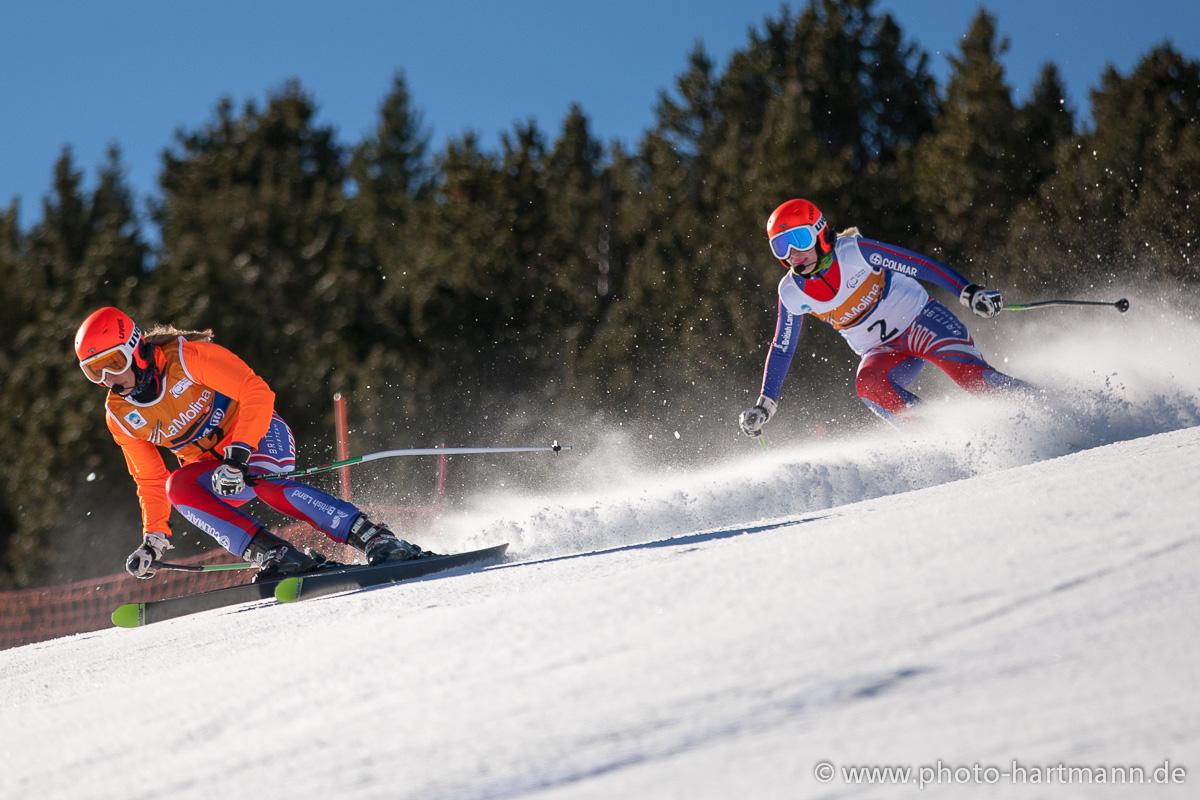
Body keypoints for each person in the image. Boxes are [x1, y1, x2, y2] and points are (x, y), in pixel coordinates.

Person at [74, 306, 431, 581]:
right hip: (217, 474)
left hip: (258, 439)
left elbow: (255, 390)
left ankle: (373, 537)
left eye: (113, 363)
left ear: (135, 348)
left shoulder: (186, 359)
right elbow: (149, 479)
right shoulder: (120, 415)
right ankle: (276, 555)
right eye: (94, 372)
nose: (109, 379)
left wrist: (239, 455)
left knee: (264, 483)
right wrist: (154, 538)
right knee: (176, 486)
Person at [739, 198, 1026, 436]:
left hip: (921, 322)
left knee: (974, 379)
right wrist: (765, 405)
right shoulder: (791, 292)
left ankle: (1050, 407)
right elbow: (782, 347)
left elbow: (919, 265)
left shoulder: (854, 252)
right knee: (868, 385)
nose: (793, 254)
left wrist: (968, 292)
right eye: (780, 246)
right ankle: (939, 441)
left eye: (798, 239)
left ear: (819, 232)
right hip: (883, 351)